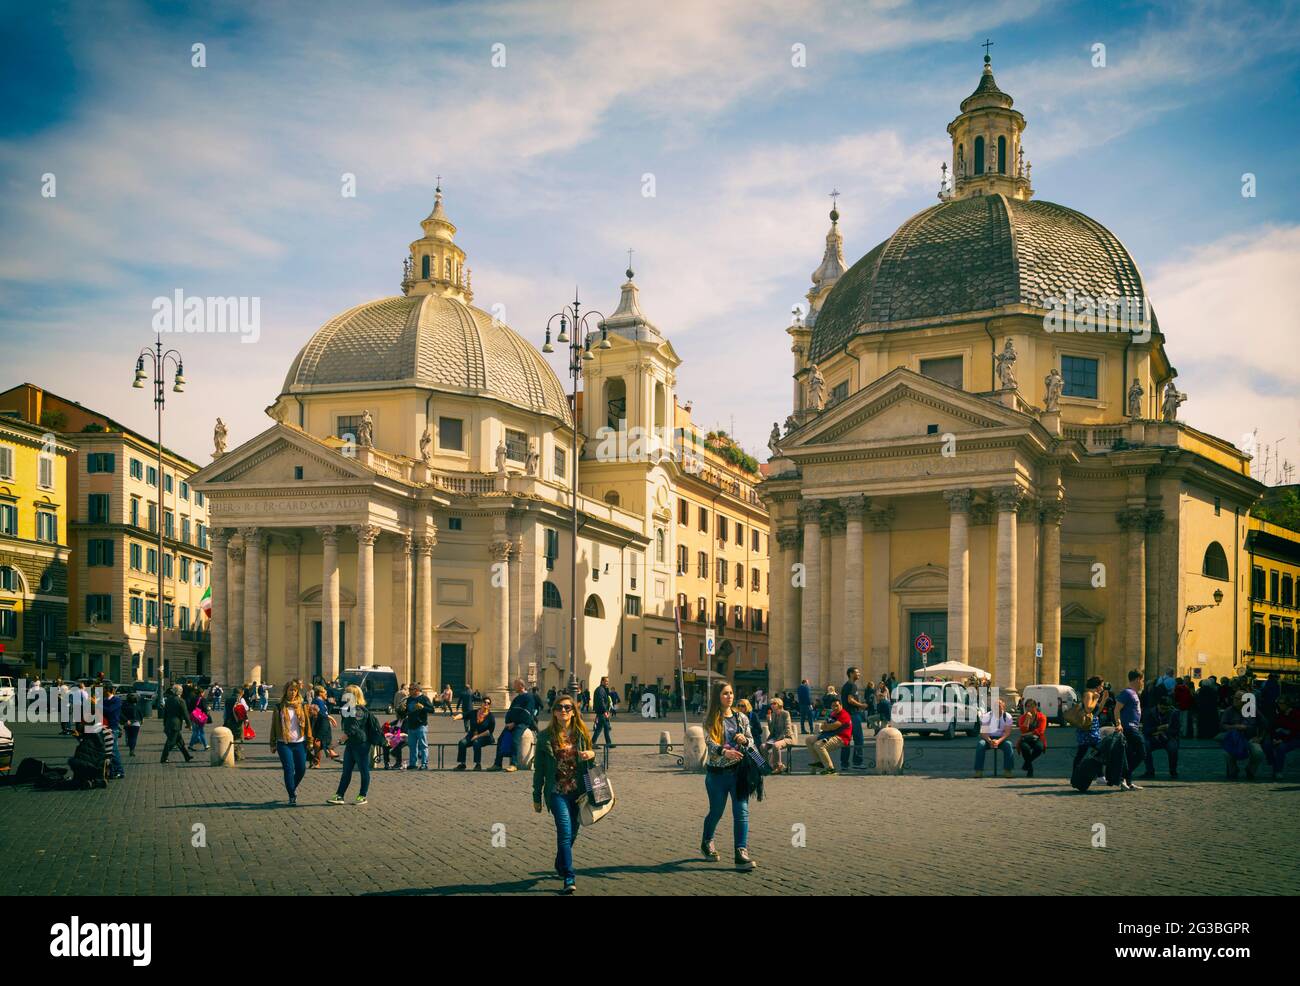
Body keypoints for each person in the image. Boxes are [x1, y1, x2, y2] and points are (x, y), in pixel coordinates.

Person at [533, 693, 597, 894]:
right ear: (553, 712)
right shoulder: (545, 736)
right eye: (559, 707)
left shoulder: (581, 733)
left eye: (567, 708)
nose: (563, 711)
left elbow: (591, 761)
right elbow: (540, 769)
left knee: (572, 834)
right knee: (564, 831)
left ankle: (561, 861)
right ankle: (569, 876)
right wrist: (536, 796)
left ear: (573, 711)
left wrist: (591, 754)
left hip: (579, 793)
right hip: (557, 791)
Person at [700, 680, 758, 870]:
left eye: (731, 693)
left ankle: (741, 852)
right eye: (725, 693)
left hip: (738, 772)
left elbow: (751, 741)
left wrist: (744, 740)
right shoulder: (710, 719)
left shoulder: (742, 718)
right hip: (717, 774)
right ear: (718, 696)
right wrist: (725, 752)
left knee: (741, 811)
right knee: (716, 812)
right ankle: (707, 841)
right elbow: (709, 743)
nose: (729, 696)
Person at [329, 685, 382, 806]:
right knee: (346, 770)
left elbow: (351, 730)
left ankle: (362, 796)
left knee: (364, 770)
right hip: (352, 744)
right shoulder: (350, 709)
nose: (344, 695)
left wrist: (337, 742)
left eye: (347, 693)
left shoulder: (358, 710)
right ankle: (339, 795)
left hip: (361, 745)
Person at [269, 680, 314, 806]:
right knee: (289, 769)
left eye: (295, 690)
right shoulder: (279, 707)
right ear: (286, 691)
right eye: (290, 690)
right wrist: (272, 743)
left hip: (300, 742)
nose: (293, 692)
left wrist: (310, 740)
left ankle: (292, 787)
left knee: (301, 769)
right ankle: (291, 795)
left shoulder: (303, 705)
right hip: (284, 743)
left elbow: (308, 725)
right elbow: (274, 726)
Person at [491, 679, 536, 772]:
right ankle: (497, 764)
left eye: (515, 685)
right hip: (511, 724)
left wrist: (514, 723)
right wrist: (508, 722)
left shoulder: (529, 698)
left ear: (521, 686)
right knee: (500, 739)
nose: (513, 686)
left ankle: (513, 764)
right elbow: (510, 711)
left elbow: (526, 713)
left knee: (515, 740)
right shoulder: (516, 698)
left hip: (522, 723)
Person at [1219, 690, 1262, 780]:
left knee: (1258, 752)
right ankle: (1233, 771)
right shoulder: (1229, 711)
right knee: (1227, 753)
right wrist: (1235, 726)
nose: (1235, 700)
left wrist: (1260, 737)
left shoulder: (1252, 710)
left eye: (1238, 699)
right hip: (1234, 739)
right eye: (1234, 698)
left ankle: (1250, 770)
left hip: (1250, 738)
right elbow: (1223, 725)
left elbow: (1264, 724)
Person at [805, 696, 851, 775]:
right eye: (833, 706)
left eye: (837, 705)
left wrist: (828, 726)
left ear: (841, 705)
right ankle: (818, 762)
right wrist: (828, 727)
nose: (835, 707)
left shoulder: (844, 715)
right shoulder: (832, 713)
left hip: (841, 737)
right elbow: (823, 726)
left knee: (819, 745)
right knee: (808, 740)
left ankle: (830, 768)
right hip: (829, 734)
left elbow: (833, 726)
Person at [1114, 670, 1144, 791]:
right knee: (1142, 752)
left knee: (1130, 754)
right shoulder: (1127, 692)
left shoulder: (1134, 693)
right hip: (1128, 728)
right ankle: (1122, 776)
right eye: (1142, 680)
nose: (1142, 683)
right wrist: (1119, 724)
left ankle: (1128, 781)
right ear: (1137, 679)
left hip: (1134, 727)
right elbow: (1116, 709)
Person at [1141, 693, 1181, 779]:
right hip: (1153, 738)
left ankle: (1173, 771)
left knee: (1173, 748)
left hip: (1168, 737)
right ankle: (1149, 771)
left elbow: (1176, 730)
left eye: (1166, 709)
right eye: (1162, 708)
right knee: (1145, 746)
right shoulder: (1150, 713)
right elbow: (1146, 730)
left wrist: (1164, 732)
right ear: (1158, 705)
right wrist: (1158, 728)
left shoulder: (1174, 713)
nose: (1163, 711)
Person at [1263, 694, 1300, 780]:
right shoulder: (1280, 714)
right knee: (1266, 745)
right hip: (1280, 738)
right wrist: (1274, 739)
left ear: (1287, 704)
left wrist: (1282, 740)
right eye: (1278, 703)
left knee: (1281, 748)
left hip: (1294, 738)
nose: (1280, 705)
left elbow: (1295, 732)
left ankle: (1278, 770)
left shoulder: (1296, 714)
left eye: (1282, 703)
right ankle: (1273, 763)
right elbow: (1272, 728)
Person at [975, 699, 1015, 778]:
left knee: (1008, 745)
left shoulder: (1007, 716)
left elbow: (1007, 733)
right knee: (980, 745)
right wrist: (990, 741)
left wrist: (998, 741)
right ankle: (978, 771)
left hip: (1001, 738)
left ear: (1003, 707)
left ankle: (1008, 770)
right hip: (988, 738)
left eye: (999, 706)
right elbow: (983, 732)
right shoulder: (986, 716)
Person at [456, 696, 496, 770]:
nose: (486, 704)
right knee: (462, 743)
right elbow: (464, 715)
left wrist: (477, 736)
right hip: (472, 735)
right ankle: (462, 764)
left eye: (488, 703)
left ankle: (478, 764)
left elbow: (489, 731)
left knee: (476, 743)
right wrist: (456, 717)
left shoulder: (491, 716)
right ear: (481, 703)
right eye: (485, 702)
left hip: (485, 737)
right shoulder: (474, 712)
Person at [403, 683, 436, 769]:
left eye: (411, 689)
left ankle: (424, 764)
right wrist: (403, 710)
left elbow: (432, 710)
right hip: (411, 726)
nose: (409, 691)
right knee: (412, 746)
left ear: (416, 690)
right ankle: (413, 764)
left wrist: (423, 707)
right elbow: (407, 712)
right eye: (409, 689)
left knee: (423, 745)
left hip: (421, 726)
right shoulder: (409, 699)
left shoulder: (424, 698)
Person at [839, 667, 867, 769]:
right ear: (851, 674)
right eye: (857, 672)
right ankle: (857, 762)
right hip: (853, 715)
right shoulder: (852, 686)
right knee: (859, 739)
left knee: (846, 740)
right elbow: (850, 700)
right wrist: (861, 705)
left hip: (846, 716)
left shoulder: (846, 685)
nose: (859, 674)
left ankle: (844, 764)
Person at [159, 685, 193, 764]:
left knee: (180, 742)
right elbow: (185, 714)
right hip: (176, 725)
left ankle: (187, 756)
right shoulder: (181, 701)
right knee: (171, 742)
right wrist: (189, 724)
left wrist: (165, 723)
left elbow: (165, 713)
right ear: (180, 691)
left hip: (168, 723)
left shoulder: (168, 700)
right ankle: (163, 758)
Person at [762, 697, 795, 773]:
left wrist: (778, 739)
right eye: (771, 704)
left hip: (787, 737)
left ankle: (778, 766)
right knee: (763, 746)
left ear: (779, 704)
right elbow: (771, 730)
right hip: (776, 738)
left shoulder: (785, 713)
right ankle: (766, 766)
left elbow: (787, 729)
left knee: (776, 745)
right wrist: (769, 720)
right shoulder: (773, 715)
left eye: (774, 704)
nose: (772, 705)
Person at [1016, 697, 1047, 777]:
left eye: (1031, 706)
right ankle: (1030, 769)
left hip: (1037, 738)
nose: (1029, 708)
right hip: (1026, 739)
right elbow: (1023, 730)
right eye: (1027, 706)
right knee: (1025, 748)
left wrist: (1026, 734)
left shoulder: (1042, 717)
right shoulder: (1023, 717)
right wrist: (1027, 719)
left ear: (1035, 707)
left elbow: (1040, 731)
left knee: (1039, 748)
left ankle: (1026, 763)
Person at [101, 683, 125, 779]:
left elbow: (110, 711)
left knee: (113, 750)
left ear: (107, 691)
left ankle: (119, 771)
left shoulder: (117, 700)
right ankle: (112, 770)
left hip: (112, 727)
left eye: (103, 690)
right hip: (104, 726)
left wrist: (98, 705)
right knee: (107, 750)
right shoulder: (104, 700)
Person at [223, 686, 249, 762]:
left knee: (232, 737)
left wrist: (225, 720)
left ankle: (237, 754)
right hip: (237, 722)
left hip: (228, 721)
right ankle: (237, 755)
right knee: (239, 738)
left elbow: (225, 712)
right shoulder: (240, 700)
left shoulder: (227, 700)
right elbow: (245, 709)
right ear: (241, 693)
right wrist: (246, 720)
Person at [592, 676, 614, 747]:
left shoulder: (602, 689)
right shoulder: (601, 690)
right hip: (601, 712)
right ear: (602, 681)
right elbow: (601, 702)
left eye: (608, 681)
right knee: (606, 727)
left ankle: (592, 743)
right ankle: (608, 743)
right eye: (606, 681)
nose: (607, 683)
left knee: (599, 728)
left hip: (601, 711)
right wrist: (605, 711)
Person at [188, 687, 211, 752]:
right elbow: (205, 709)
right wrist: (208, 709)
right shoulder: (203, 699)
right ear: (201, 693)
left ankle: (191, 745)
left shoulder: (192, 699)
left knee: (196, 731)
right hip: (200, 717)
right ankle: (205, 745)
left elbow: (189, 708)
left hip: (193, 717)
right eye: (203, 692)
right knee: (201, 731)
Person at [121, 690, 141, 758]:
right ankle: (132, 750)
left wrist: (125, 720)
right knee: (134, 737)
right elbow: (140, 714)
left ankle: (128, 744)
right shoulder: (136, 706)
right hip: (135, 723)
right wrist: (141, 720)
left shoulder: (124, 706)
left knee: (128, 736)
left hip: (127, 723)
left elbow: (121, 714)